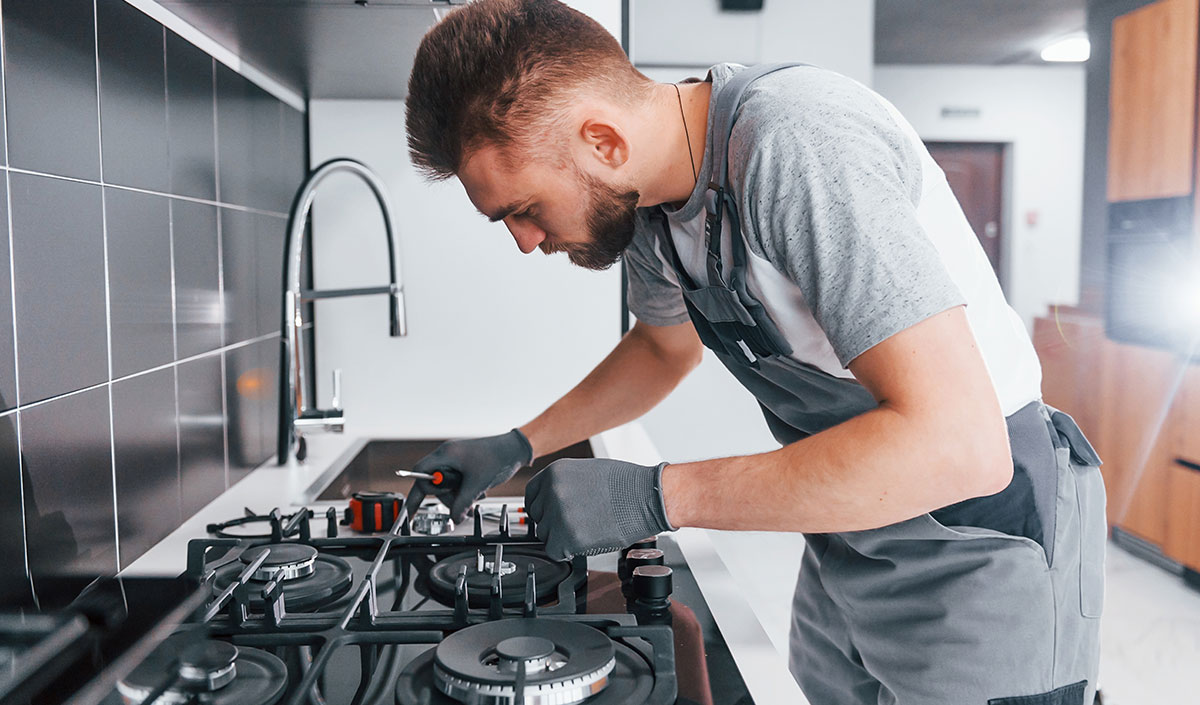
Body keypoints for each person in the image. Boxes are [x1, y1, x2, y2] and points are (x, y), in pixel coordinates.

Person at [403, 1, 1105, 703]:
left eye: (521, 208)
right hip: (849, 533)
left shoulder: (796, 145)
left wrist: (658, 494)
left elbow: (959, 444)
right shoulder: (648, 207)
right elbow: (661, 350)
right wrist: (520, 441)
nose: (524, 240)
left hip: (981, 535)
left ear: (603, 141)